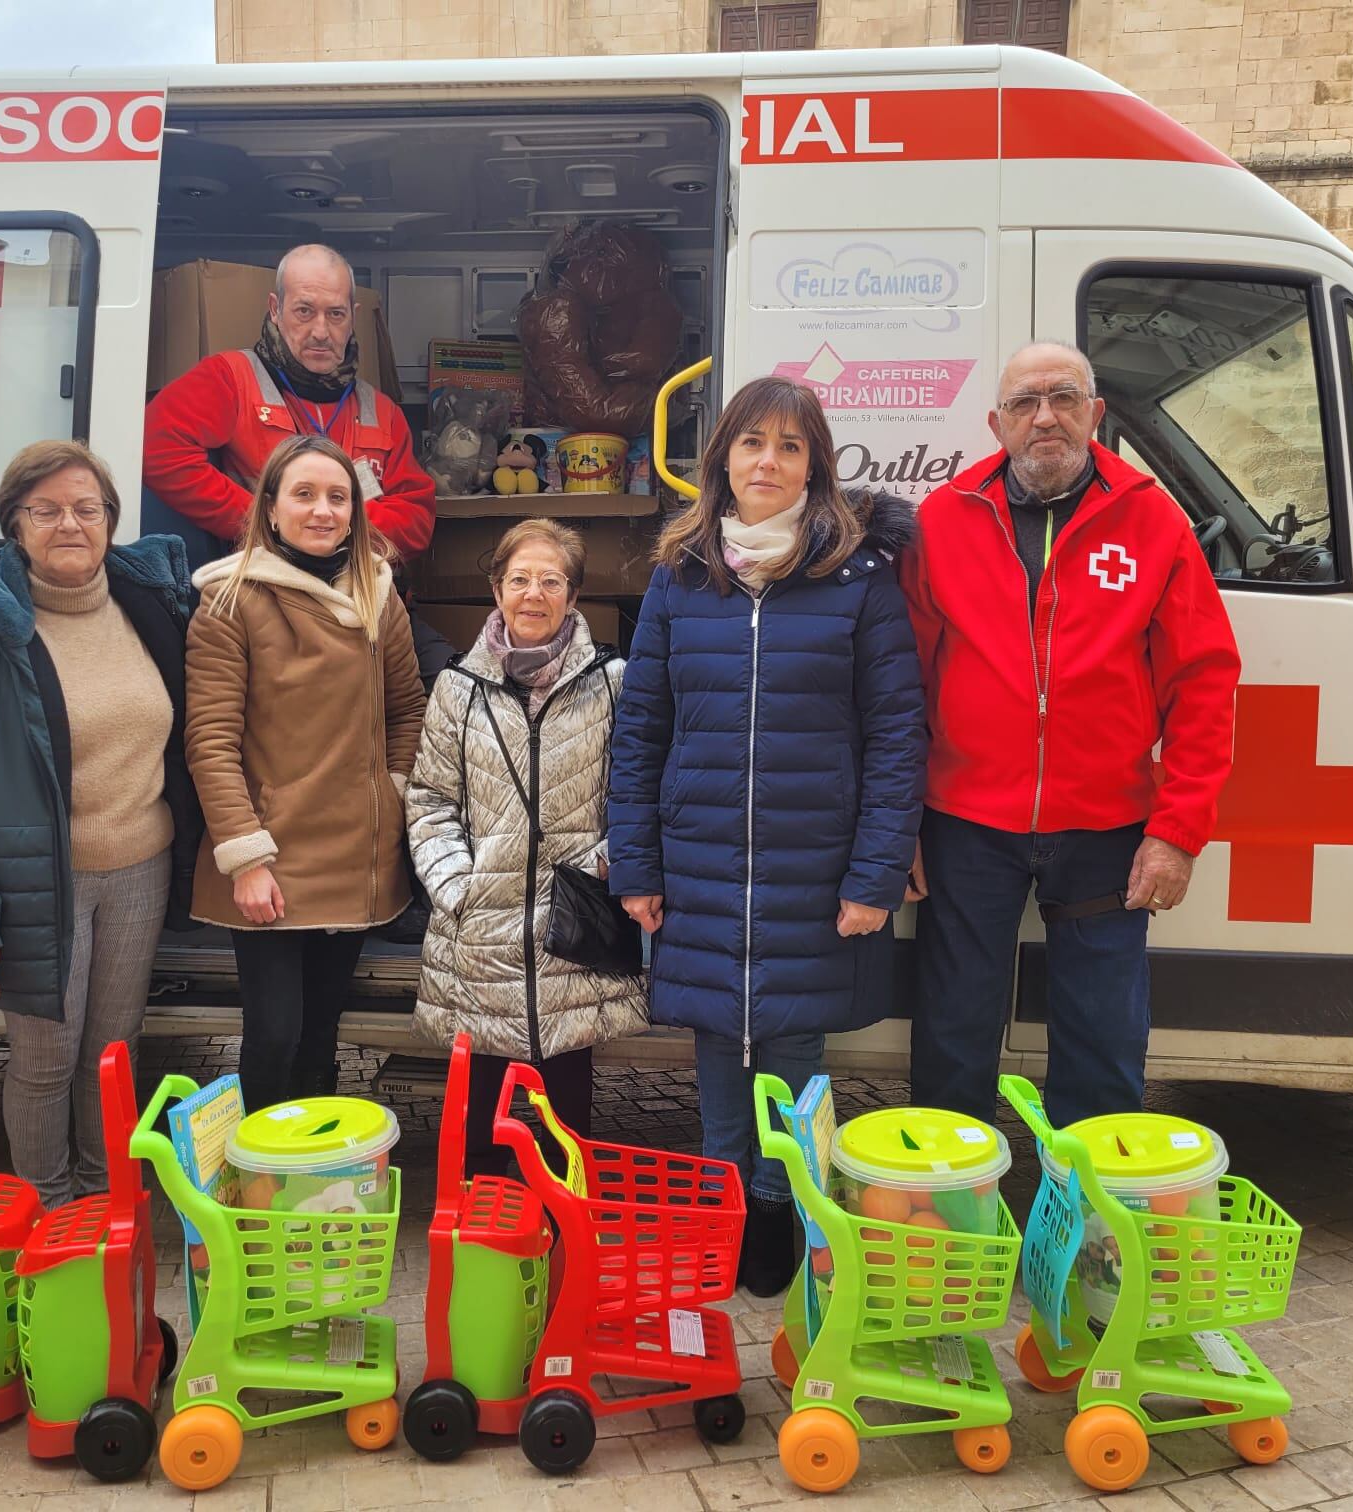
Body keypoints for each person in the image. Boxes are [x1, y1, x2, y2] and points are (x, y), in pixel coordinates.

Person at [607, 377, 925, 1297]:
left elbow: (898, 734)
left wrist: (873, 875)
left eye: (790, 447)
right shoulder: (679, 579)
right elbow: (643, 733)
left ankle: (782, 1212)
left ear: (815, 466)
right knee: (713, 1041)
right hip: (700, 860)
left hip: (813, 867)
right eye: (752, 443)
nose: (768, 463)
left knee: (792, 1046)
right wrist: (637, 863)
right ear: (723, 460)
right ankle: (720, 1211)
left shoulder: (859, 582)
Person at [901, 341, 1241, 1131]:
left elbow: (1204, 680)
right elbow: (902, 685)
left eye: (1062, 398)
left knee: (1102, 1044)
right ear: (996, 424)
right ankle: (949, 1218)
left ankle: (1093, 1240)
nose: (1044, 417)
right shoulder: (943, 520)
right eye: (1023, 403)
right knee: (951, 1036)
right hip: (964, 822)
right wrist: (898, 827)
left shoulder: (1153, 519)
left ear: (1096, 414)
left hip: (1107, 826)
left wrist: (1178, 831)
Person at [0, 441, 201, 1209]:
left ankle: (108, 1208)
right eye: (47, 510)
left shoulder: (149, 607)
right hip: (38, 884)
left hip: (141, 865)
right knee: (43, 1061)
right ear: (15, 524)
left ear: (109, 521)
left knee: (112, 1054)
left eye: (86, 508)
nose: (70, 523)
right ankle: (48, 1215)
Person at [184, 434, 426, 1114]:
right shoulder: (230, 601)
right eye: (304, 494)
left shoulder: (380, 595)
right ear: (270, 506)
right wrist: (245, 857)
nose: (322, 511)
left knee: (322, 1033)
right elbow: (210, 740)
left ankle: (313, 1180)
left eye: (338, 497)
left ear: (356, 511)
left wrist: (392, 790)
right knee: (274, 1034)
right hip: (272, 859)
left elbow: (408, 709)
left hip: (355, 853)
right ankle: (261, 1179)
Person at [405, 519, 649, 1172]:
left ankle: (563, 1239)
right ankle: (489, 1242)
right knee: (483, 1111)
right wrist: (458, 887)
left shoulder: (613, 682)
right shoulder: (457, 687)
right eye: (520, 579)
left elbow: (636, 791)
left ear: (572, 596)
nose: (533, 594)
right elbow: (430, 801)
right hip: (482, 923)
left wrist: (602, 866)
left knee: (566, 1112)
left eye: (551, 581)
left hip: (572, 920)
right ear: (497, 589)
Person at [142, 244, 436, 562]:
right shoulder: (231, 377)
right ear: (275, 309)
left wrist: (328, 526)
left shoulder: (382, 411)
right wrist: (263, 520)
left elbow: (417, 520)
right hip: (262, 588)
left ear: (354, 316)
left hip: (356, 595)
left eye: (336, 314)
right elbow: (155, 449)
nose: (321, 332)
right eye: (304, 311)